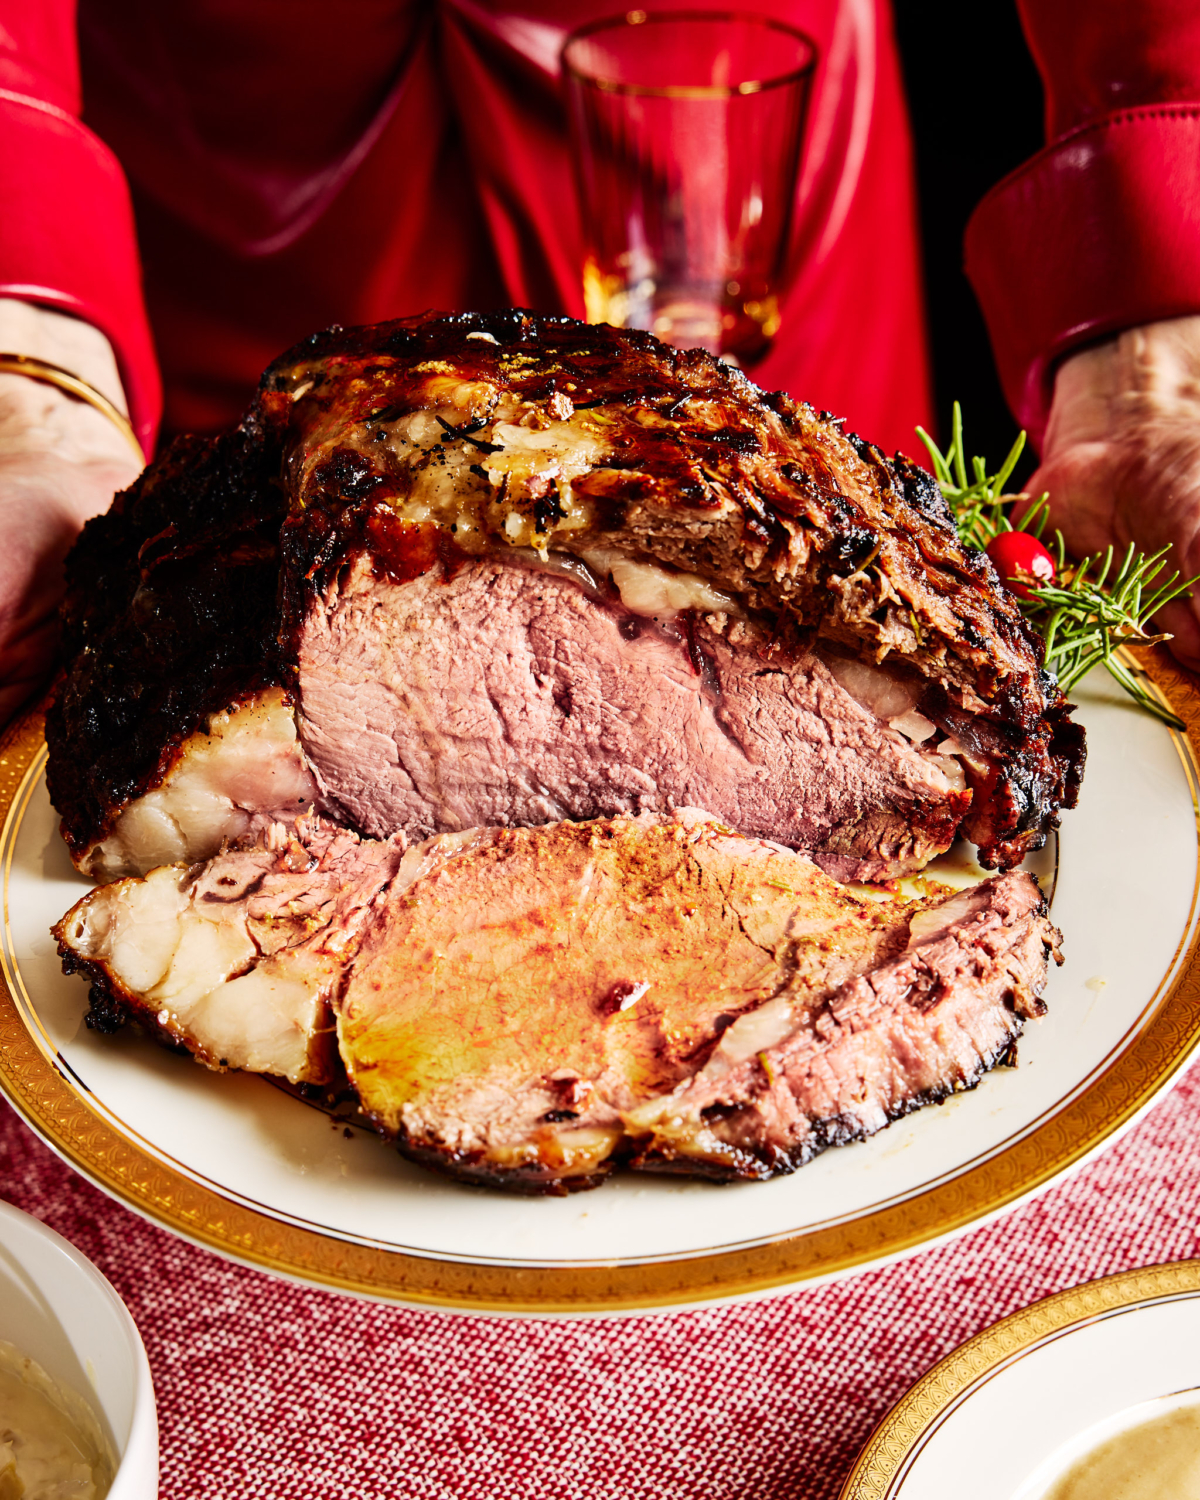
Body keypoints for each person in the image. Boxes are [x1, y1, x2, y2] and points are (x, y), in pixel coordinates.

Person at [1, 1, 1199, 727]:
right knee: (237, 641)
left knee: (844, 629)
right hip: (241, 134)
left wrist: (1160, 340)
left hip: (728, 143)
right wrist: (26, 367)